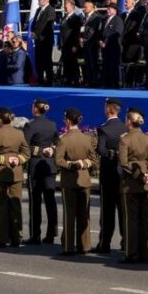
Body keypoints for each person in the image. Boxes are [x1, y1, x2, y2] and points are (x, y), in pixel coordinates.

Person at [0, 106, 29, 248]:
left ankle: (2, 238)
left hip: (0, 173)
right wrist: (18, 160)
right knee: (16, 205)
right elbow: (26, 153)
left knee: (1, 207)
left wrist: (4, 160)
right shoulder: (19, 134)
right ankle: (17, 237)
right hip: (16, 173)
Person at [118, 108, 148, 264]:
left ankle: (131, 253)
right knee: (145, 219)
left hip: (131, 185)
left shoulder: (124, 140)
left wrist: (140, 177)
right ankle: (145, 253)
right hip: (147, 183)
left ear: (129, 121)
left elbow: (124, 163)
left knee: (131, 220)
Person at [54, 107, 94, 255]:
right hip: (84, 179)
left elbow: (58, 160)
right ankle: (84, 245)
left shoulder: (63, 139)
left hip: (69, 181)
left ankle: (68, 246)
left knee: (69, 215)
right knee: (84, 215)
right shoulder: (87, 138)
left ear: (68, 121)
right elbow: (94, 160)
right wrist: (85, 164)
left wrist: (72, 164)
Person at [92, 97, 126, 254]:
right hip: (123, 173)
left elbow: (101, 150)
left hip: (108, 173)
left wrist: (112, 154)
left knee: (107, 211)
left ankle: (104, 242)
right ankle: (126, 242)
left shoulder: (104, 128)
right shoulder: (125, 127)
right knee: (124, 210)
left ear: (108, 109)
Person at [24, 98, 58, 245]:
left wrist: (39, 151)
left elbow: (25, 146)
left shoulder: (30, 125)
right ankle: (51, 233)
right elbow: (57, 143)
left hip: (36, 166)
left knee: (35, 201)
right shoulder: (52, 124)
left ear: (35, 109)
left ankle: (35, 234)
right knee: (50, 200)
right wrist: (51, 150)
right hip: (50, 165)